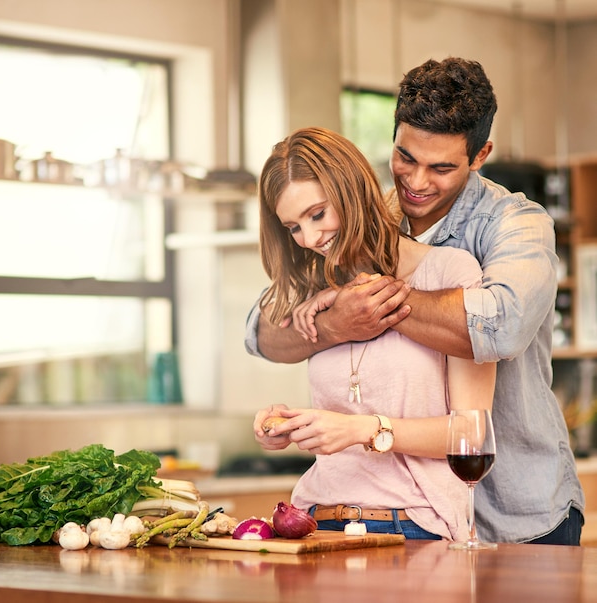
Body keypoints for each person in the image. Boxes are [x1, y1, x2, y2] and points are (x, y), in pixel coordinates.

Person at [246, 57, 585, 545]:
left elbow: (499, 327)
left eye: (441, 166)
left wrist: (371, 299)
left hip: (519, 506)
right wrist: (335, 318)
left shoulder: (516, 224)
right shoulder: (358, 225)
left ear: (480, 153)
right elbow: (259, 330)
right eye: (406, 157)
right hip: (413, 513)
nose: (417, 181)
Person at [252, 125, 496, 541]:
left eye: (317, 214)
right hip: (317, 521)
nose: (309, 238)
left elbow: (472, 434)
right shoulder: (316, 294)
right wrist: (287, 425)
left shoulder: (450, 273)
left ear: (352, 192)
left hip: (415, 524)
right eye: (293, 227)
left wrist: (361, 429)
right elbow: (262, 336)